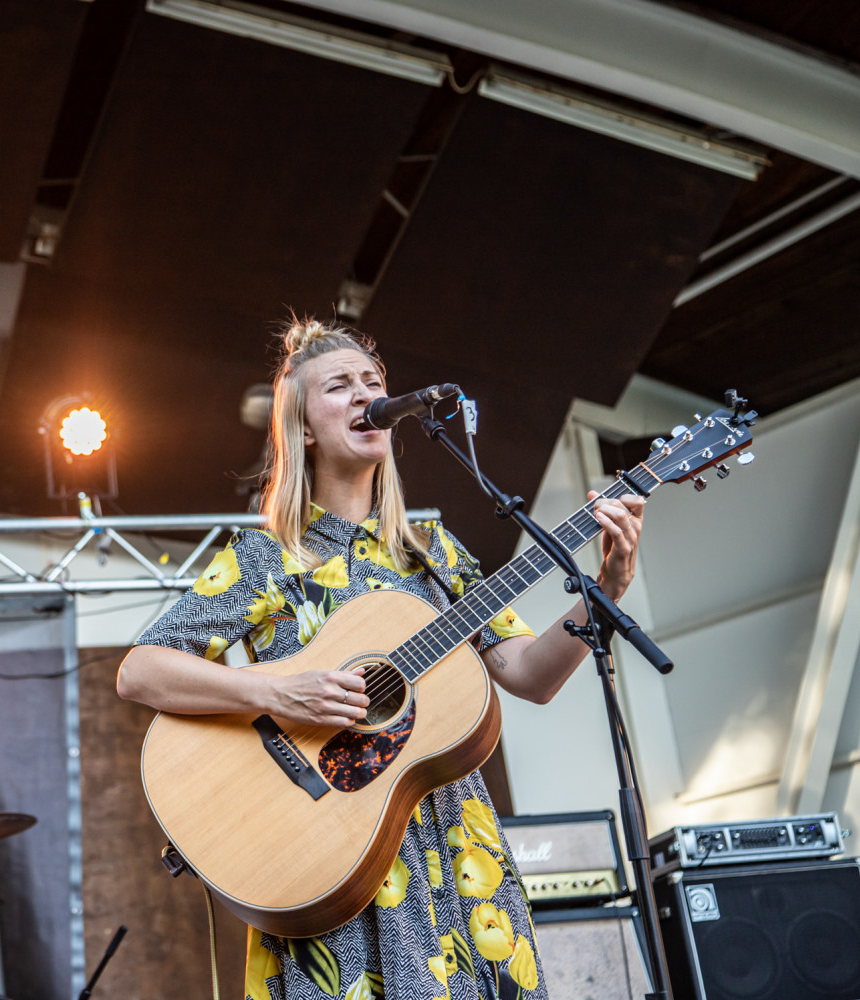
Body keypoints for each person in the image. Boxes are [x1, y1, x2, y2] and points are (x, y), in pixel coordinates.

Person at [116, 319, 644, 1000]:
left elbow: (528, 676)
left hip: (456, 857)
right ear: (303, 427)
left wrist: (603, 591)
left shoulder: (436, 553)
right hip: (329, 856)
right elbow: (142, 671)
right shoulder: (266, 559)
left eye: (374, 385)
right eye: (340, 386)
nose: (365, 396)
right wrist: (280, 695)